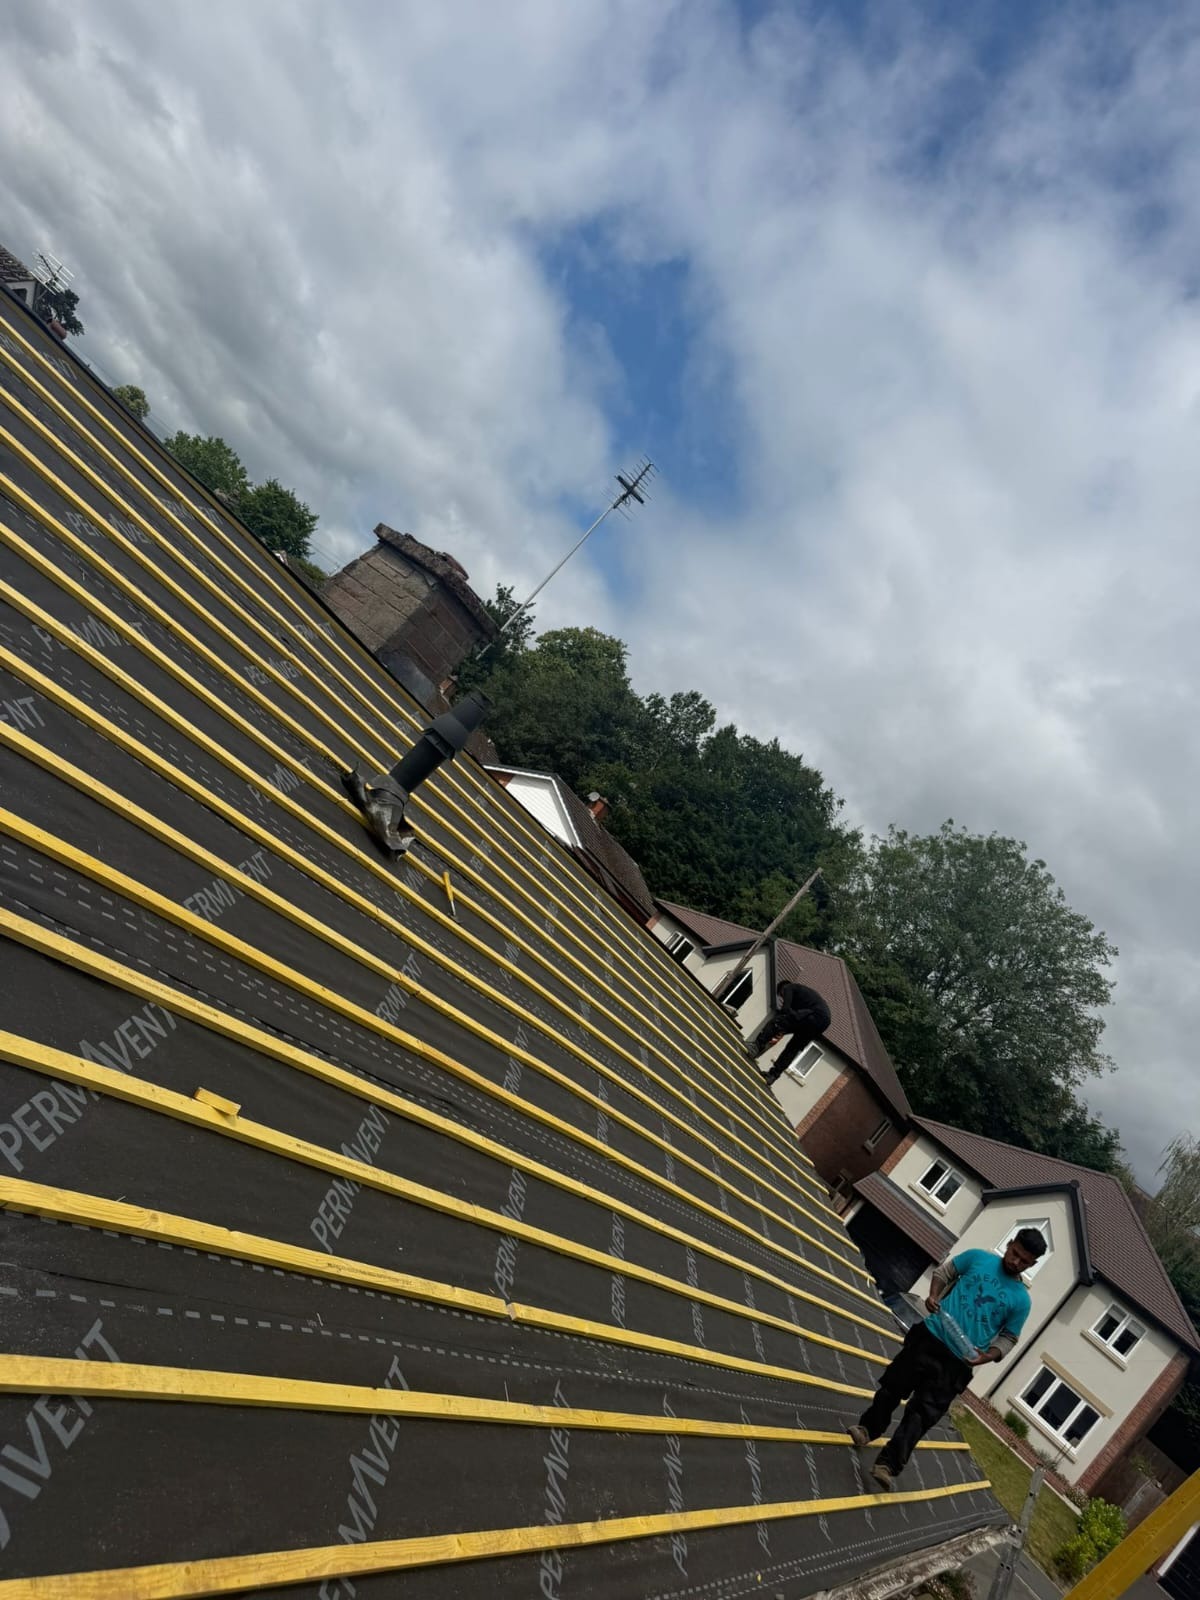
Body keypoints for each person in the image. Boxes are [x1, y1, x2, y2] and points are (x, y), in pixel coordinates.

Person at [848, 1230, 1046, 1489]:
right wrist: (933, 1295)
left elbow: (1009, 1337)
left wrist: (987, 1356)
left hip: (958, 1363)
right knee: (892, 1387)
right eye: (1015, 1253)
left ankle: (888, 1465)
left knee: (921, 1416)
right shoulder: (978, 1258)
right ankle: (868, 1429)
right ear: (1009, 1244)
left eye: (1024, 1261)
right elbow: (944, 1273)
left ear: (1032, 1264)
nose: (1016, 1262)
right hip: (929, 1337)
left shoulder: (1021, 1301)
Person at [750, 980, 832, 1084]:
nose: (783, 998)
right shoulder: (803, 998)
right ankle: (773, 1075)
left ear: (782, 989)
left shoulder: (789, 987)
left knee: (776, 1022)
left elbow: (785, 1010)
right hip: (823, 1023)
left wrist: (778, 1027)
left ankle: (756, 1046)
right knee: (793, 1048)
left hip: (813, 1015)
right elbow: (795, 1019)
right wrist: (783, 1029)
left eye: (781, 995)